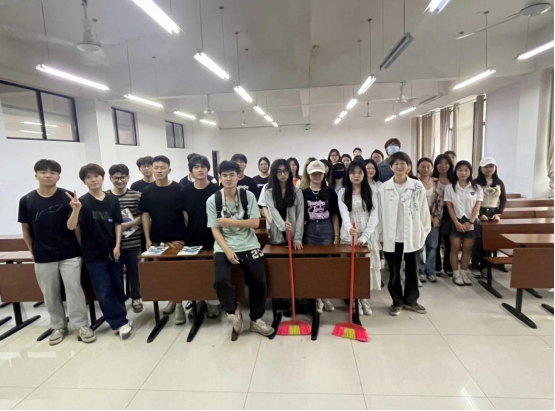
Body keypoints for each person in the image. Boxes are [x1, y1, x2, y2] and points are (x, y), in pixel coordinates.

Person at [18, 159, 94, 346]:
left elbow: (73, 227)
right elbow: (26, 229)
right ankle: (58, 326)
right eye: (43, 172)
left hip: (70, 253)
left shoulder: (68, 197)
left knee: (74, 289)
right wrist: (32, 251)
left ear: (58, 176)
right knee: (50, 293)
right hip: (43, 255)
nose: (48, 175)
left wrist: (76, 210)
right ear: (36, 175)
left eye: (52, 172)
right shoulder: (26, 200)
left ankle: (80, 325)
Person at [207, 161, 274, 337]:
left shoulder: (248, 196)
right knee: (220, 281)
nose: (228, 178)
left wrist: (230, 222)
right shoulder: (213, 200)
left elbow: (255, 223)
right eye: (225, 175)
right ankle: (232, 312)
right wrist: (227, 250)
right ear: (220, 178)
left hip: (249, 244)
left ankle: (256, 320)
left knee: (259, 279)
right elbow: (215, 229)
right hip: (224, 246)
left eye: (232, 175)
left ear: (238, 176)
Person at [67, 164, 133, 340]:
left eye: (96, 176)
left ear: (103, 178)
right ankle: (118, 323)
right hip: (93, 254)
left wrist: (118, 246)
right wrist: (75, 210)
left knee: (118, 286)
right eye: (89, 177)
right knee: (103, 290)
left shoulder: (112, 200)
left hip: (113, 251)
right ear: (84, 181)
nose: (93, 180)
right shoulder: (81, 202)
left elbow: (118, 224)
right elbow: (72, 226)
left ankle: (121, 318)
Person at [378, 152, 430, 317]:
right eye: (396, 164)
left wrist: (423, 232)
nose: (399, 167)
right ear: (391, 167)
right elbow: (379, 214)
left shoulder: (417, 186)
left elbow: (424, 212)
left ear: (408, 167)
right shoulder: (383, 188)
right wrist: (381, 236)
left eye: (403, 164)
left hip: (412, 235)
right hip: (391, 236)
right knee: (394, 272)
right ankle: (397, 301)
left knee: (412, 270)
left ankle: (411, 300)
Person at [139, 155, 187, 325]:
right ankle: (173, 299)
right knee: (163, 274)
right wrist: (147, 238)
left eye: (163, 167)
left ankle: (179, 305)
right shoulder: (147, 191)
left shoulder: (179, 189)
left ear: (169, 170)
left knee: (178, 273)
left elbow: (185, 214)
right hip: (157, 239)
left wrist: (188, 237)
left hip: (177, 238)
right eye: (156, 167)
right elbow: (145, 215)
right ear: (152, 169)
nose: (159, 171)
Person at [180, 155, 222, 319]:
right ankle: (198, 301)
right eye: (196, 167)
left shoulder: (216, 190)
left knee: (212, 271)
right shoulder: (185, 191)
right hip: (193, 237)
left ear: (208, 170)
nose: (200, 170)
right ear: (191, 171)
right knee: (194, 272)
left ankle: (213, 302)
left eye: (203, 167)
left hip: (213, 236)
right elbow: (185, 215)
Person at [338, 161, 381, 317]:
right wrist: (349, 228)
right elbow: (344, 213)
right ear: (348, 175)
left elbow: (374, 216)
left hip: (367, 235)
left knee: (364, 269)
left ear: (364, 174)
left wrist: (365, 236)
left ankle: (364, 299)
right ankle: (353, 300)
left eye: (359, 172)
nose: (356, 176)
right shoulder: (342, 192)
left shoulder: (372, 192)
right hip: (349, 234)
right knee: (350, 269)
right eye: (353, 172)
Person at [302, 161, 340, 313]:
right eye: (314, 173)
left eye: (319, 173)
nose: (317, 176)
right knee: (312, 264)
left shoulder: (330, 192)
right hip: (310, 229)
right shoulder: (304, 193)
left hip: (326, 228)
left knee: (326, 265)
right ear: (309, 175)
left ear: (324, 174)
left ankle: (325, 296)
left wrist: (336, 235)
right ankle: (316, 297)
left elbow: (335, 215)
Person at [108, 164, 144, 314]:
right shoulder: (105, 196)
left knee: (135, 273)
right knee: (115, 275)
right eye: (115, 178)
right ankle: (118, 301)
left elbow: (143, 216)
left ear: (128, 178)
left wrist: (127, 225)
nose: (119, 181)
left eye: (122, 177)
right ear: (110, 178)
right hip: (112, 244)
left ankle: (136, 298)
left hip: (133, 241)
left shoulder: (137, 195)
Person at [444, 161, 484, 287]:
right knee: (455, 248)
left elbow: (477, 206)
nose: (463, 173)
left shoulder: (477, 188)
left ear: (470, 172)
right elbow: (449, 206)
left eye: (466, 170)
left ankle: (464, 272)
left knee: (467, 248)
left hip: (471, 220)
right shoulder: (449, 187)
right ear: (456, 172)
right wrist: (456, 222)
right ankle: (456, 274)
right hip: (455, 220)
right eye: (460, 170)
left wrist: (471, 221)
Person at [472, 157, 508, 276]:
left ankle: (485, 265)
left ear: (495, 168)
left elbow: (503, 200)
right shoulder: (475, 183)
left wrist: (499, 213)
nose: (488, 169)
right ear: (480, 168)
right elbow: (472, 200)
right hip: (479, 211)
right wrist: (480, 214)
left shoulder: (499, 182)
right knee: (478, 240)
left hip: (494, 212)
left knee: (489, 240)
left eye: (491, 166)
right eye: (486, 167)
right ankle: (475, 265)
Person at [263, 159, 304, 249]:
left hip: (293, 235)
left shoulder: (297, 192)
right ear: (274, 173)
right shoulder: (269, 192)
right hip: (277, 235)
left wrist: (297, 238)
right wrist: (283, 226)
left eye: (285, 171)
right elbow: (273, 211)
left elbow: (300, 215)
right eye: (279, 171)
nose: (283, 174)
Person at [417, 158, 444, 284]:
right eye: (422, 166)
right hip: (418, 219)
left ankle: (431, 271)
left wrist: (437, 217)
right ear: (418, 168)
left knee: (432, 246)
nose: (425, 169)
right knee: (419, 247)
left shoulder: (437, 183)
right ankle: (420, 271)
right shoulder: (414, 182)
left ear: (432, 168)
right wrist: (424, 217)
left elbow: (440, 202)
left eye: (428, 166)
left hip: (434, 218)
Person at [432, 154, 455, 277]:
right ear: (436, 165)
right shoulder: (432, 180)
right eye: (440, 163)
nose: (443, 166)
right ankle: (436, 266)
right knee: (435, 242)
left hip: (451, 214)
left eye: (446, 163)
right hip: (435, 213)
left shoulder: (454, 180)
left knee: (449, 242)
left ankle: (448, 266)